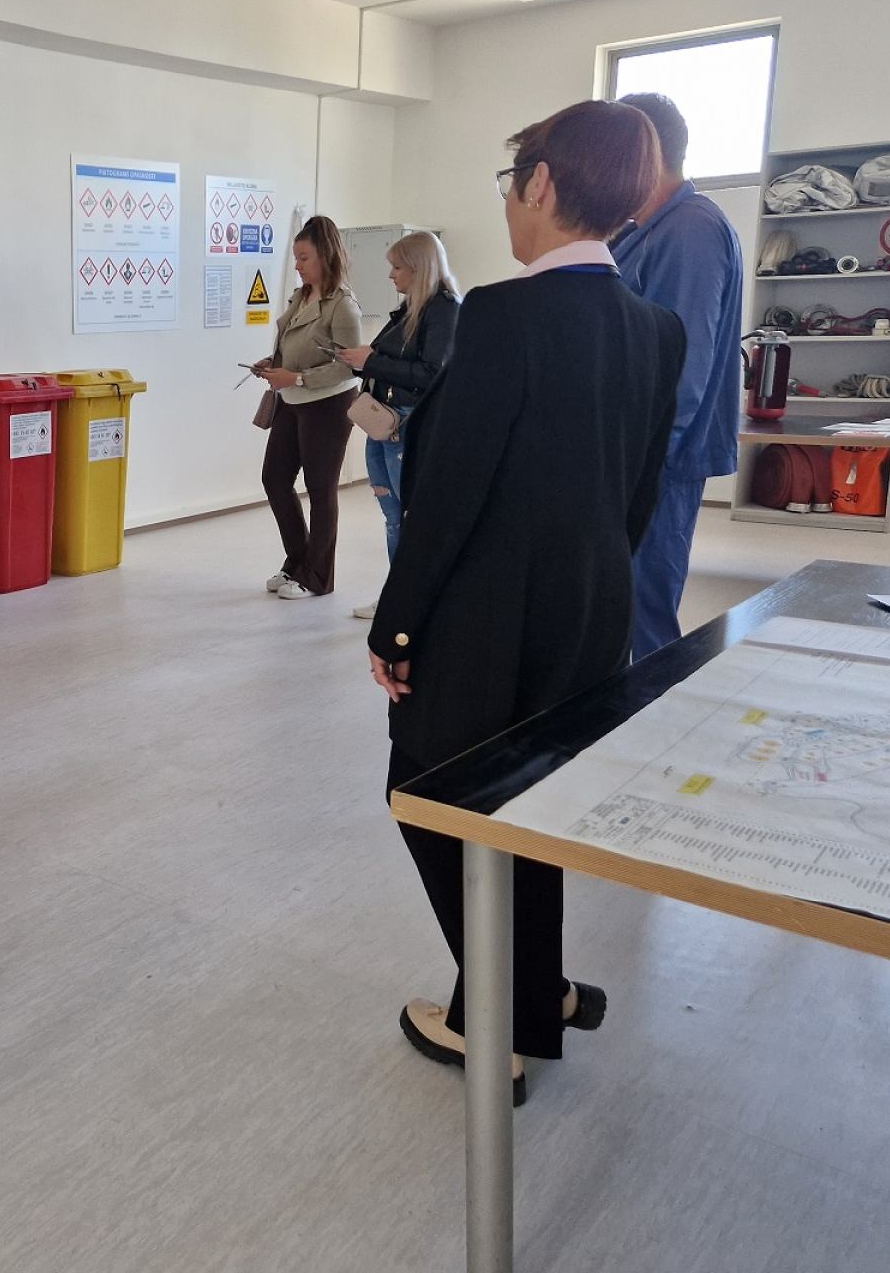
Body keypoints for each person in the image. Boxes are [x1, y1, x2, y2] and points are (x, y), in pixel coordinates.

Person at [368, 100, 684, 1102]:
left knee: (427, 798)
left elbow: (447, 495)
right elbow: (639, 491)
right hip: (591, 618)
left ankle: (497, 1023)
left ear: (541, 185)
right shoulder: (657, 329)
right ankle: (534, 992)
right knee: (531, 808)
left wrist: (398, 623)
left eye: (513, 183)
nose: (509, 203)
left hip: (485, 625)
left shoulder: (505, 316)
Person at [612, 91, 746, 660]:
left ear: (644, 152)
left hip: (658, 459)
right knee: (619, 605)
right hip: (637, 451)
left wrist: (643, 464)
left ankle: (653, 711)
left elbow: (682, 364)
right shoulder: (644, 229)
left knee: (643, 613)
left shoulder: (690, 230)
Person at [338, 231, 462, 617]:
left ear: (418, 268)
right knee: (393, 517)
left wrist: (371, 361)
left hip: (409, 426)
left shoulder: (443, 309)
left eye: (397, 267)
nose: (391, 275)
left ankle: (413, 603)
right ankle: (398, 597)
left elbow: (431, 373)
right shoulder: (410, 309)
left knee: (410, 518)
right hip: (384, 425)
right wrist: (363, 360)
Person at [254, 214, 363, 600]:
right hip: (293, 401)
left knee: (320, 488)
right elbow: (294, 347)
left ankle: (318, 577)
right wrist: (274, 364)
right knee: (274, 478)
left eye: (304, 258)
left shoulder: (343, 305)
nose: (297, 265)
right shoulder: (300, 297)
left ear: (325, 256)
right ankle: (298, 560)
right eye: (296, 258)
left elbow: (349, 365)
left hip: (328, 404)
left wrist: (296, 378)